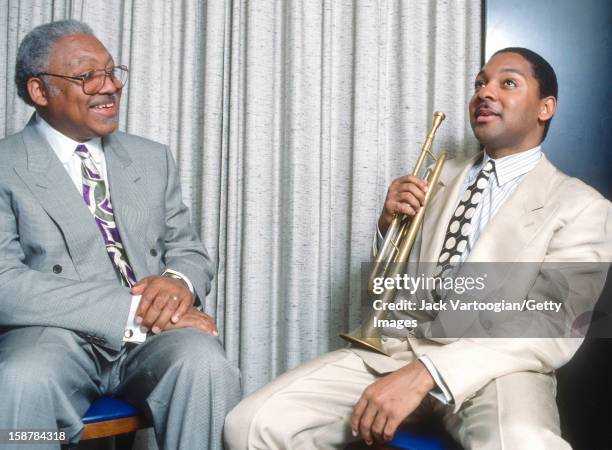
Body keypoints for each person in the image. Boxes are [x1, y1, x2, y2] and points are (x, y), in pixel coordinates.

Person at [224, 48, 612, 449]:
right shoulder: (437, 175)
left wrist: (429, 372)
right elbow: (385, 288)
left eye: (507, 83)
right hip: (397, 348)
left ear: (545, 107)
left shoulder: (583, 207)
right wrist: (387, 228)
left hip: (496, 368)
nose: (484, 93)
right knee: (250, 424)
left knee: (523, 442)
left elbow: (552, 325)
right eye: (480, 83)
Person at [0, 20, 240, 449]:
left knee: (206, 363)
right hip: (55, 335)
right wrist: (134, 311)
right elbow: (5, 282)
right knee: (20, 381)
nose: (108, 86)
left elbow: (188, 250)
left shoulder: (152, 158)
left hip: (155, 337)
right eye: (86, 76)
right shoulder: (6, 164)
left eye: (111, 72)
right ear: (40, 92)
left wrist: (176, 284)